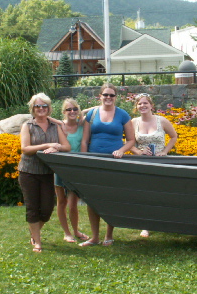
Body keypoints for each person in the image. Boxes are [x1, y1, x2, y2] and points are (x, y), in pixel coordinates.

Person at [79, 83, 135, 247]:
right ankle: (95, 237)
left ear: (116, 97)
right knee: (92, 199)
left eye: (111, 95)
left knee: (111, 198)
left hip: (114, 161)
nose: (108, 98)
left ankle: (108, 235)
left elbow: (131, 140)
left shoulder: (123, 115)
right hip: (94, 160)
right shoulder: (92, 114)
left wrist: (121, 150)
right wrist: (83, 160)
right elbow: (84, 139)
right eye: (105, 95)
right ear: (100, 96)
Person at [18, 93, 70, 253]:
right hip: (29, 172)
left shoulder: (55, 126)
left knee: (47, 209)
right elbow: (25, 149)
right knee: (33, 207)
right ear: (32, 109)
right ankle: (37, 241)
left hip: (47, 173)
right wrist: (46, 144)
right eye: (37, 106)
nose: (41, 109)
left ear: (49, 108)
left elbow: (66, 146)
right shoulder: (28, 126)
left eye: (44, 106)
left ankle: (34, 231)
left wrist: (57, 147)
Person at [130, 93, 178, 238]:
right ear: (136, 107)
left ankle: (165, 221)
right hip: (143, 162)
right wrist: (138, 152)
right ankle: (146, 226)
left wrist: (164, 151)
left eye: (145, 103)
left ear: (151, 105)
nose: (142, 106)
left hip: (160, 161)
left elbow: (174, 136)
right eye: (139, 104)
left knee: (162, 193)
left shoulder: (161, 120)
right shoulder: (133, 122)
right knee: (144, 194)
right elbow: (129, 143)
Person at [51, 98, 90, 243]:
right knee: (61, 201)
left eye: (75, 109)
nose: (72, 112)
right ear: (63, 112)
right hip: (60, 167)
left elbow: (97, 108)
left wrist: (83, 111)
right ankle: (66, 233)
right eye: (69, 109)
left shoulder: (83, 125)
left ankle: (75, 231)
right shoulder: (59, 126)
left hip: (76, 169)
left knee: (73, 203)